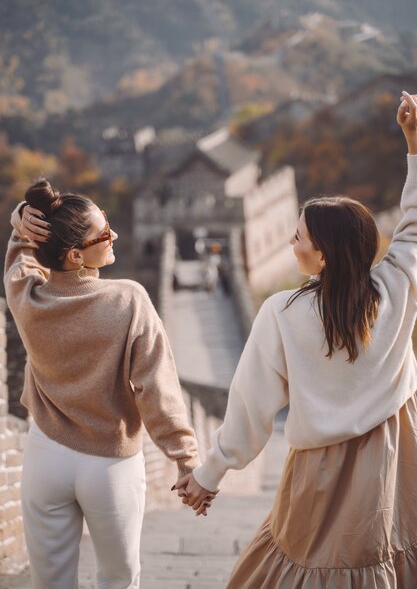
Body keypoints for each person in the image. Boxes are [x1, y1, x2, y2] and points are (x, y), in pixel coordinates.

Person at [175, 90, 417, 586]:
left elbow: (250, 408)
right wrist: (414, 146)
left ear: (323, 254)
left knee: (301, 569)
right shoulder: (397, 287)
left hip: (320, 468)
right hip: (398, 456)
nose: (291, 245)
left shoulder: (283, 313)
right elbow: (415, 225)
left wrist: (208, 476)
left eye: (298, 238)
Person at [4, 180, 202, 589]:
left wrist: (21, 219)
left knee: (49, 581)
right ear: (76, 255)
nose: (114, 236)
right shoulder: (128, 299)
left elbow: (21, 253)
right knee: (118, 579)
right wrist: (185, 459)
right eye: (104, 234)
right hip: (109, 464)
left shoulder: (27, 297)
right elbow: (156, 387)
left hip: (44, 457)